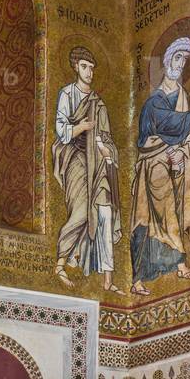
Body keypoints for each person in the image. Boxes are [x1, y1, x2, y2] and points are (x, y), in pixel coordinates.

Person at [130, 36, 190, 294]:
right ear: (167, 60)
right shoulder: (154, 102)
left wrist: (181, 152)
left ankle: (178, 263)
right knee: (150, 214)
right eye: (177, 58)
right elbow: (167, 128)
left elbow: (187, 134)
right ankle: (141, 276)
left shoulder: (183, 96)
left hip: (173, 164)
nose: (180, 64)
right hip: (152, 165)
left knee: (173, 209)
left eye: (185, 60)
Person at [52, 46, 122, 293]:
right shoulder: (67, 94)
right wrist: (81, 127)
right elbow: (61, 130)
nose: (89, 72)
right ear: (75, 67)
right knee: (81, 211)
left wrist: (106, 150)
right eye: (84, 67)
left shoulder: (98, 103)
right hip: (74, 158)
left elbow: (106, 137)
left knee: (100, 211)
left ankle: (94, 270)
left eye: (92, 68)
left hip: (96, 162)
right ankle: (61, 261)